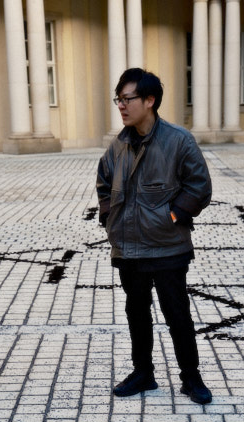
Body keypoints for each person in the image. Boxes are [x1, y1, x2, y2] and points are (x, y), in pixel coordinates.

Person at [96, 67, 214, 404]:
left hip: (167, 246)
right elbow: (104, 181)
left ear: (149, 101)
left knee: (177, 315)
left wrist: (173, 215)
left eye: (127, 99)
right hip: (129, 248)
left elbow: (200, 186)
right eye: (118, 99)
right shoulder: (118, 145)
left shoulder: (178, 140)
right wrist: (109, 217)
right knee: (136, 313)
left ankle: (191, 379)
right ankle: (143, 373)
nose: (121, 105)